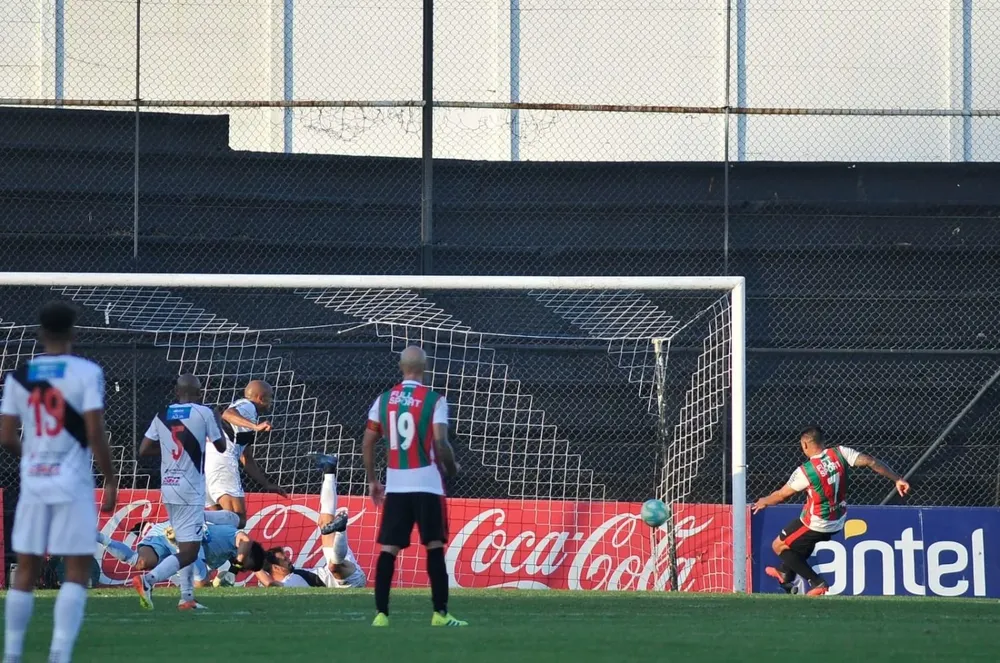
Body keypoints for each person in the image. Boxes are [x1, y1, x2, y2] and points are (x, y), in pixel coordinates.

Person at [0, 301, 118, 663]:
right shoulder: (86, 372)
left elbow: (5, 436)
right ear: (74, 334)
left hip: (35, 482)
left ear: (39, 333)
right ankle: (59, 655)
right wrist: (110, 480)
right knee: (77, 569)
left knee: (27, 568)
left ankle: (13, 653)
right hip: (74, 483)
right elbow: (95, 431)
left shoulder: (20, 376)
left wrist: (34, 458)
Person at [362, 346, 466, 627]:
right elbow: (441, 443)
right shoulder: (435, 400)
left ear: (400, 366)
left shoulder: (383, 401)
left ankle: (381, 615)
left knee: (389, 549)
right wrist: (452, 468)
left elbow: (368, 442)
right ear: (426, 367)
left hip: (396, 484)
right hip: (427, 484)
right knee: (434, 546)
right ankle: (440, 614)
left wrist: (373, 479)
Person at [752, 425, 911, 596]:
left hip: (816, 522)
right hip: (838, 520)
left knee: (778, 545)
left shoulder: (806, 471)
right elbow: (871, 462)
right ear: (823, 442)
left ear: (805, 445)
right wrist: (897, 479)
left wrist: (764, 501)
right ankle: (785, 571)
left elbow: (782, 495)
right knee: (801, 545)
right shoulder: (841, 452)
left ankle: (816, 582)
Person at [131, 374, 227, 610]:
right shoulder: (204, 412)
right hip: (190, 489)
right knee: (190, 551)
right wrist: (217, 418)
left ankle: (186, 598)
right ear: (200, 393)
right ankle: (148, 581)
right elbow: (221, 446)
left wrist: (169, 452)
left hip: (169, 486)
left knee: (182, 545)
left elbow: (143, 450)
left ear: (176, 392)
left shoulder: (162, 414)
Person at [253, 452, 366, 589]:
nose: (289, 559)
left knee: (325, 522)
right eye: (284, 559)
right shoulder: (288, 584)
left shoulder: (294, 577)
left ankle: (329, 470)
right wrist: (255, 566)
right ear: (276, 568)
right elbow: (271, 585)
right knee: (333, 566)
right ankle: (341, 530)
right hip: (348, 582)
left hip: (347, 571)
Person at [99, 522, 266, 597]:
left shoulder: (222, 559)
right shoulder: (231, 535)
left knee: (140, 562)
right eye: (246, 565)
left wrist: (219, 582)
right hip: (171, 532)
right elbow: (245, 539)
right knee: (201, 583)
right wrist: (234, 569)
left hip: (181, 540)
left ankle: (98, 537)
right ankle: (178, 544)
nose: (243, 569)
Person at [204, 380, 287, 528]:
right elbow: (227, 414)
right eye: (270, 397)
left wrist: (266, 484)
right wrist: (255, 426)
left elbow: (246, 457)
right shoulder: (248, 406)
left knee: (219, 524)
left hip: (207, 465)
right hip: (223, 462)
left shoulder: (243, 421)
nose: (271, 402)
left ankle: (204, 528)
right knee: (238, 519)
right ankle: (195, 518)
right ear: (261, 398)